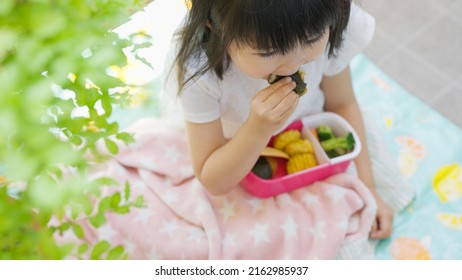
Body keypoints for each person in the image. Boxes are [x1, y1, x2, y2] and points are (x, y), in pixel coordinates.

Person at [162, 0, 411, 240]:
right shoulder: (196, 70)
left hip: (313, 124)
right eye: (268, 51)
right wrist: (257, 129)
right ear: (214, 25)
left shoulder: (327, 16)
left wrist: (370, 189)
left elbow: (342, 103)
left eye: (312, 38)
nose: (292, 65)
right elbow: (212, 178)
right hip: (232, 151)